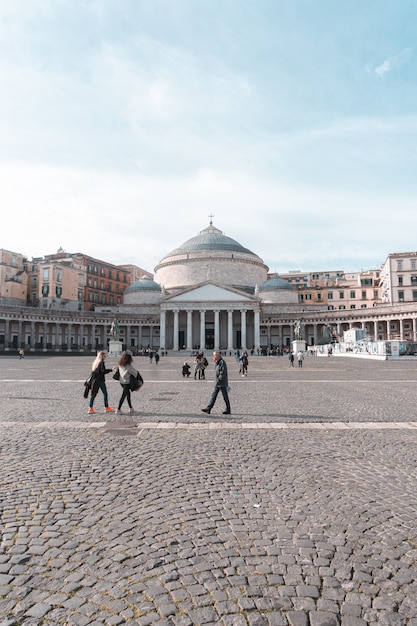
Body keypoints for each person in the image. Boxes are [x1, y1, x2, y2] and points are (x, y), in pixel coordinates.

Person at [201, 351, 231, 415]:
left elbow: (223, 372)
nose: (213, 357)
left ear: (218, 356)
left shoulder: (222, 362)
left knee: (224, 396)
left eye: (214, 355)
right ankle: (209, 408)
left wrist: (219, 379)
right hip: (218, 383)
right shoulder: (218, 362)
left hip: (221, 383)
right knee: (213, 396)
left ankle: (228, 409)